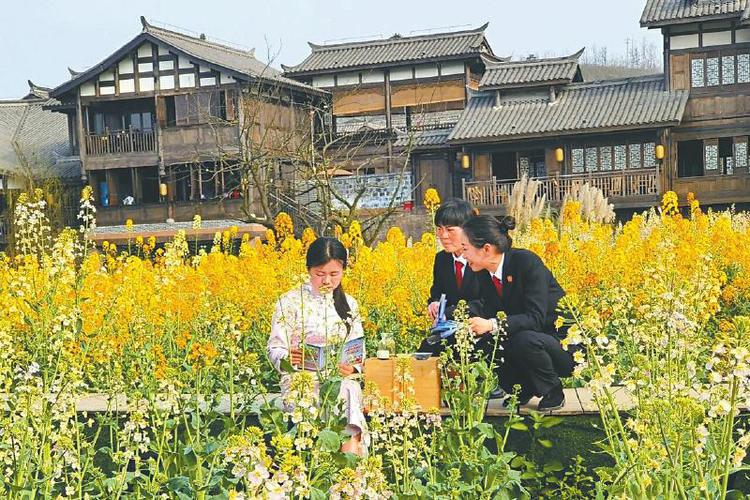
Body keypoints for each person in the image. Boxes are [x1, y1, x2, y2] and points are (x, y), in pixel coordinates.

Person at [460, 215, 575, 411]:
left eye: (465, 249)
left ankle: (553, 390)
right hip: (528, 336)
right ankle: (522, 388)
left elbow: (535, 318)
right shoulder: (481, 272)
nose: (463, 256)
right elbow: (484, 307)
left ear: (486, 249)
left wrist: (491, 324)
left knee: (522, 339)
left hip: (559, 343)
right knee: (483, 341)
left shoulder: (526, 262)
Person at [267, 237, 366, 454]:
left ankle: (350, 465)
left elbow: (358, 348)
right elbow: (274, 347)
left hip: (338, 379)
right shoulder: (290, 301)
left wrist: (353, 367)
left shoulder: (350, 303)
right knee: (317, 396)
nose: (327, 281)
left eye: (334, 274)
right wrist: (286, 358)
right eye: (320, 274)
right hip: (300, 378)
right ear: (309, 270)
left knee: (347, 390)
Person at [419, 198, 483, 356]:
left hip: (479, 329)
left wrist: (449, 312)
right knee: (424, 354)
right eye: (439, 229)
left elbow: (486, 302)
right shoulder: (442, 259)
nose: (443, 236)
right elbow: (437, 292)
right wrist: (433, 304)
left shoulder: (481, 257)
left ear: (467, 229)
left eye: (450, 230)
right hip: (449, 330)